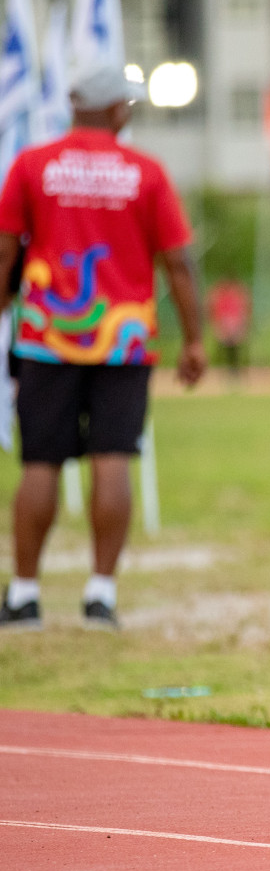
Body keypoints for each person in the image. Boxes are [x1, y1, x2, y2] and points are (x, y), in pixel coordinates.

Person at [0, 60, 206, 629]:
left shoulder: (32, 166)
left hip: (47, 338)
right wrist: (194, 340)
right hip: (124, 340)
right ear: (117, 110)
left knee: (39, 462)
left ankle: (23, 596)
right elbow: (179, 263)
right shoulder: (145, 173)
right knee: (113, 460)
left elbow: (4, 251)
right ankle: (101, 595)